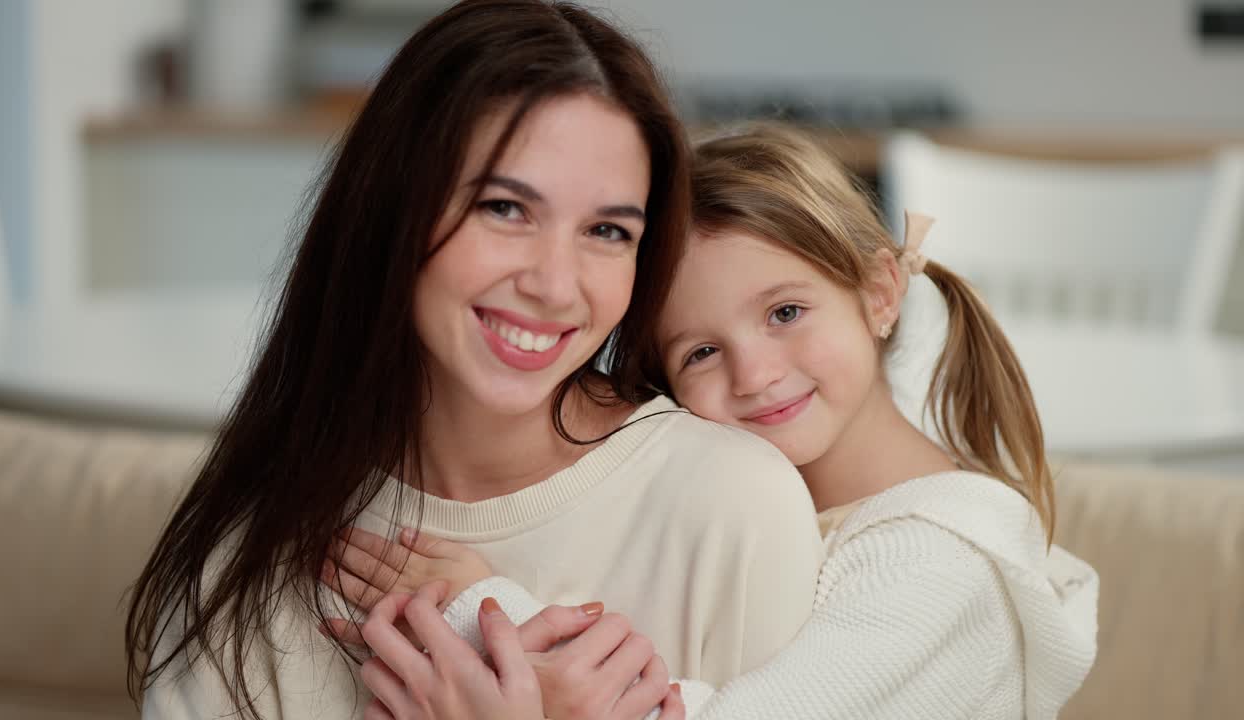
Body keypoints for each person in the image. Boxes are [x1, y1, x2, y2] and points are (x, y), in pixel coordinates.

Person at [126, 6, 824, 719]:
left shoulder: (734, 509)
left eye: (608, 231)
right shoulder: (255, 537)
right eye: (505, 209)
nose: (555, 285)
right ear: (393, 207)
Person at [338, 123, 1098, 720]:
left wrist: (485, 617)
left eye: (786, 312)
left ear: (879, 292)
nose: (755, 373)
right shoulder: (747, 512)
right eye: (701, 351)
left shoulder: (942, 561)